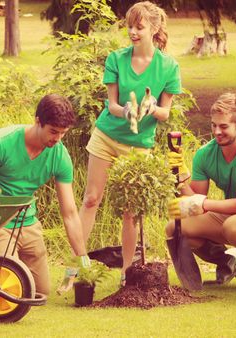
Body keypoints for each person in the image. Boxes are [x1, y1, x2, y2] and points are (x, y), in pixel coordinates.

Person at [79, 1, 181, 284]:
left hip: (138, 147)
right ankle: (78, 265)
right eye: (130, 27)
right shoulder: (116, 59)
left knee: (130, 212)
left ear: (154, 28)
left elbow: (165, 112)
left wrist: (150, 108)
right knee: (91, 199)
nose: (133, 33)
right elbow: (111, 104)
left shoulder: (168, 66)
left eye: (139, 27)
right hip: (107, 136)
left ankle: (127, 272)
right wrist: (126, 110)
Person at [0, 94, 90, 296]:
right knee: (7, 289)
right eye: (53, 131)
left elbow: (69, 212)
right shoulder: (0, 143)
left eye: (63, 133)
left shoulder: (59, 155)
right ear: (37, 121)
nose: (58, 139)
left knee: (40, 291)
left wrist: (83, 259)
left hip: (28, 224)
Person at [167, 93, 236, 285]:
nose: (217, 131)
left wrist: (203, 203)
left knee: (234, 226)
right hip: (234, 218)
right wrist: (180, 177)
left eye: (224, 126)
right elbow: (194, 202)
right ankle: (227, 262)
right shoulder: (205, 154)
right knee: (175, 227)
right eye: (214, 125)